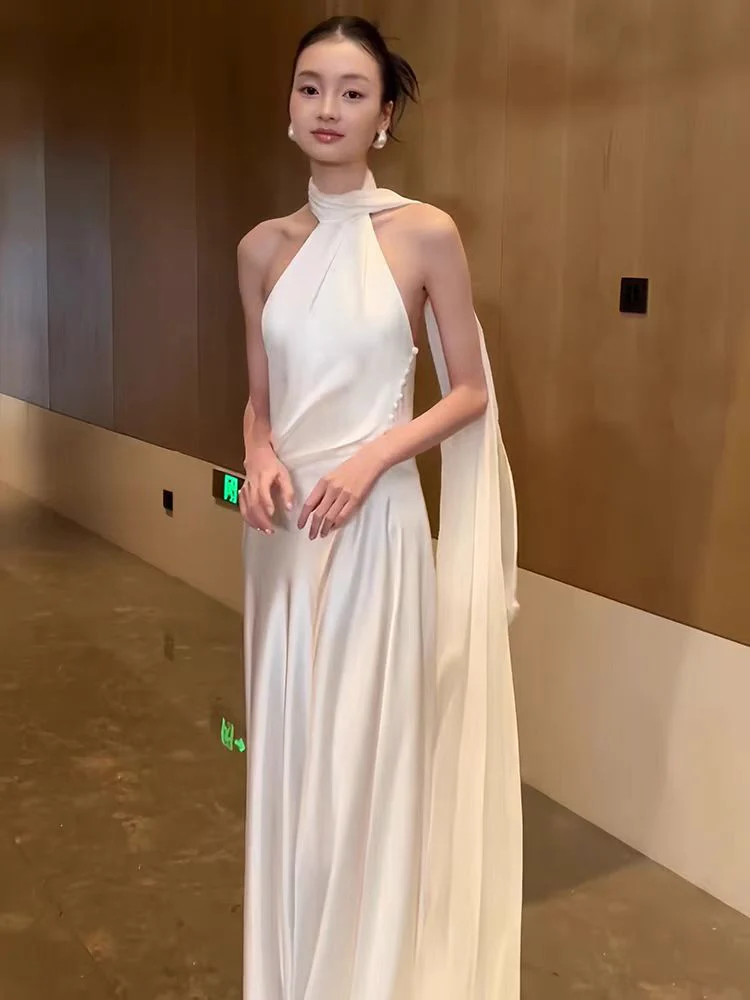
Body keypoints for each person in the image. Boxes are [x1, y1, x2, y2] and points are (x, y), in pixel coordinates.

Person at [237, 15, 521, 1000]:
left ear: (385, 115)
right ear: (290, 104)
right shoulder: (260, 249)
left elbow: (469, 390)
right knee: (292, 755)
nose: (329, 108)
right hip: (284, 536)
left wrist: (371, 460)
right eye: (311, 86)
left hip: (377, 526)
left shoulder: (425, 233)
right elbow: (260, 398)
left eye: (352, 92)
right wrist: (256, 454)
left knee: (363, 757)